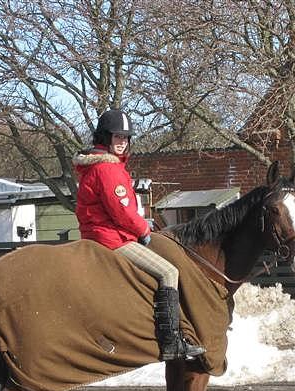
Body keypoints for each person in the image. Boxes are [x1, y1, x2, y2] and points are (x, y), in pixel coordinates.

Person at [73, 108, 204, 361]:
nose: (122, 142)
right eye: (117, 137)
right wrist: (145, 229)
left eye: (125, 138)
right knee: (169, 272)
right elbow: (122, 212)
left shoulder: (95, 167)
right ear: (105, 138)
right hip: (111, 239)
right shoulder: (107, 170)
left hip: (99, 235)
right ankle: (171, 342)